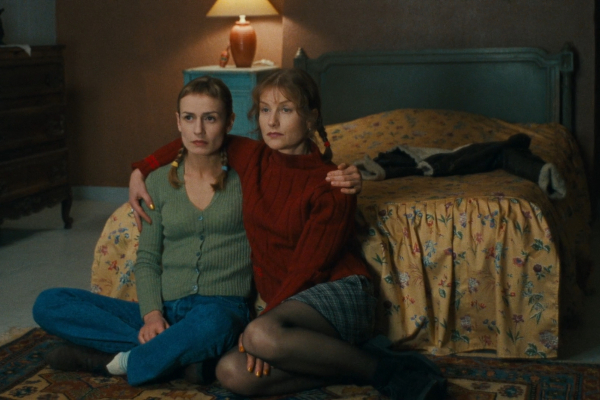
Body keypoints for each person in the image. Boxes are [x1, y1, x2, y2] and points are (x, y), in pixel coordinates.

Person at [130, 69, 446, 399]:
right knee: (231, 372)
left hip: (337, 291)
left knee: (260, 335)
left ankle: (389, 372)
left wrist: (265, 322)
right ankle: (357, 363)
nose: (272, 122)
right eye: (265, 110)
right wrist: (141, 170)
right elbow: (199, 138)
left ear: (310, 118)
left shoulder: (333, 183)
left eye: (286, 110)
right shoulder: (252, 157)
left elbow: (309, 270)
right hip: (285, 307)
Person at [32, 76, 254, 386]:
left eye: (210, 118)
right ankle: (182, 357)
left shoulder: (249, 179)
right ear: (178, 121)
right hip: (167, 310)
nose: (198, 130)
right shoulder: (159, 182)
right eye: (189, 118)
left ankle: (117, 361)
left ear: (229, 121)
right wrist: (151, 315)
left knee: (214, 323)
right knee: (49, 303)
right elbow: (148, 258)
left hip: (221, 308)